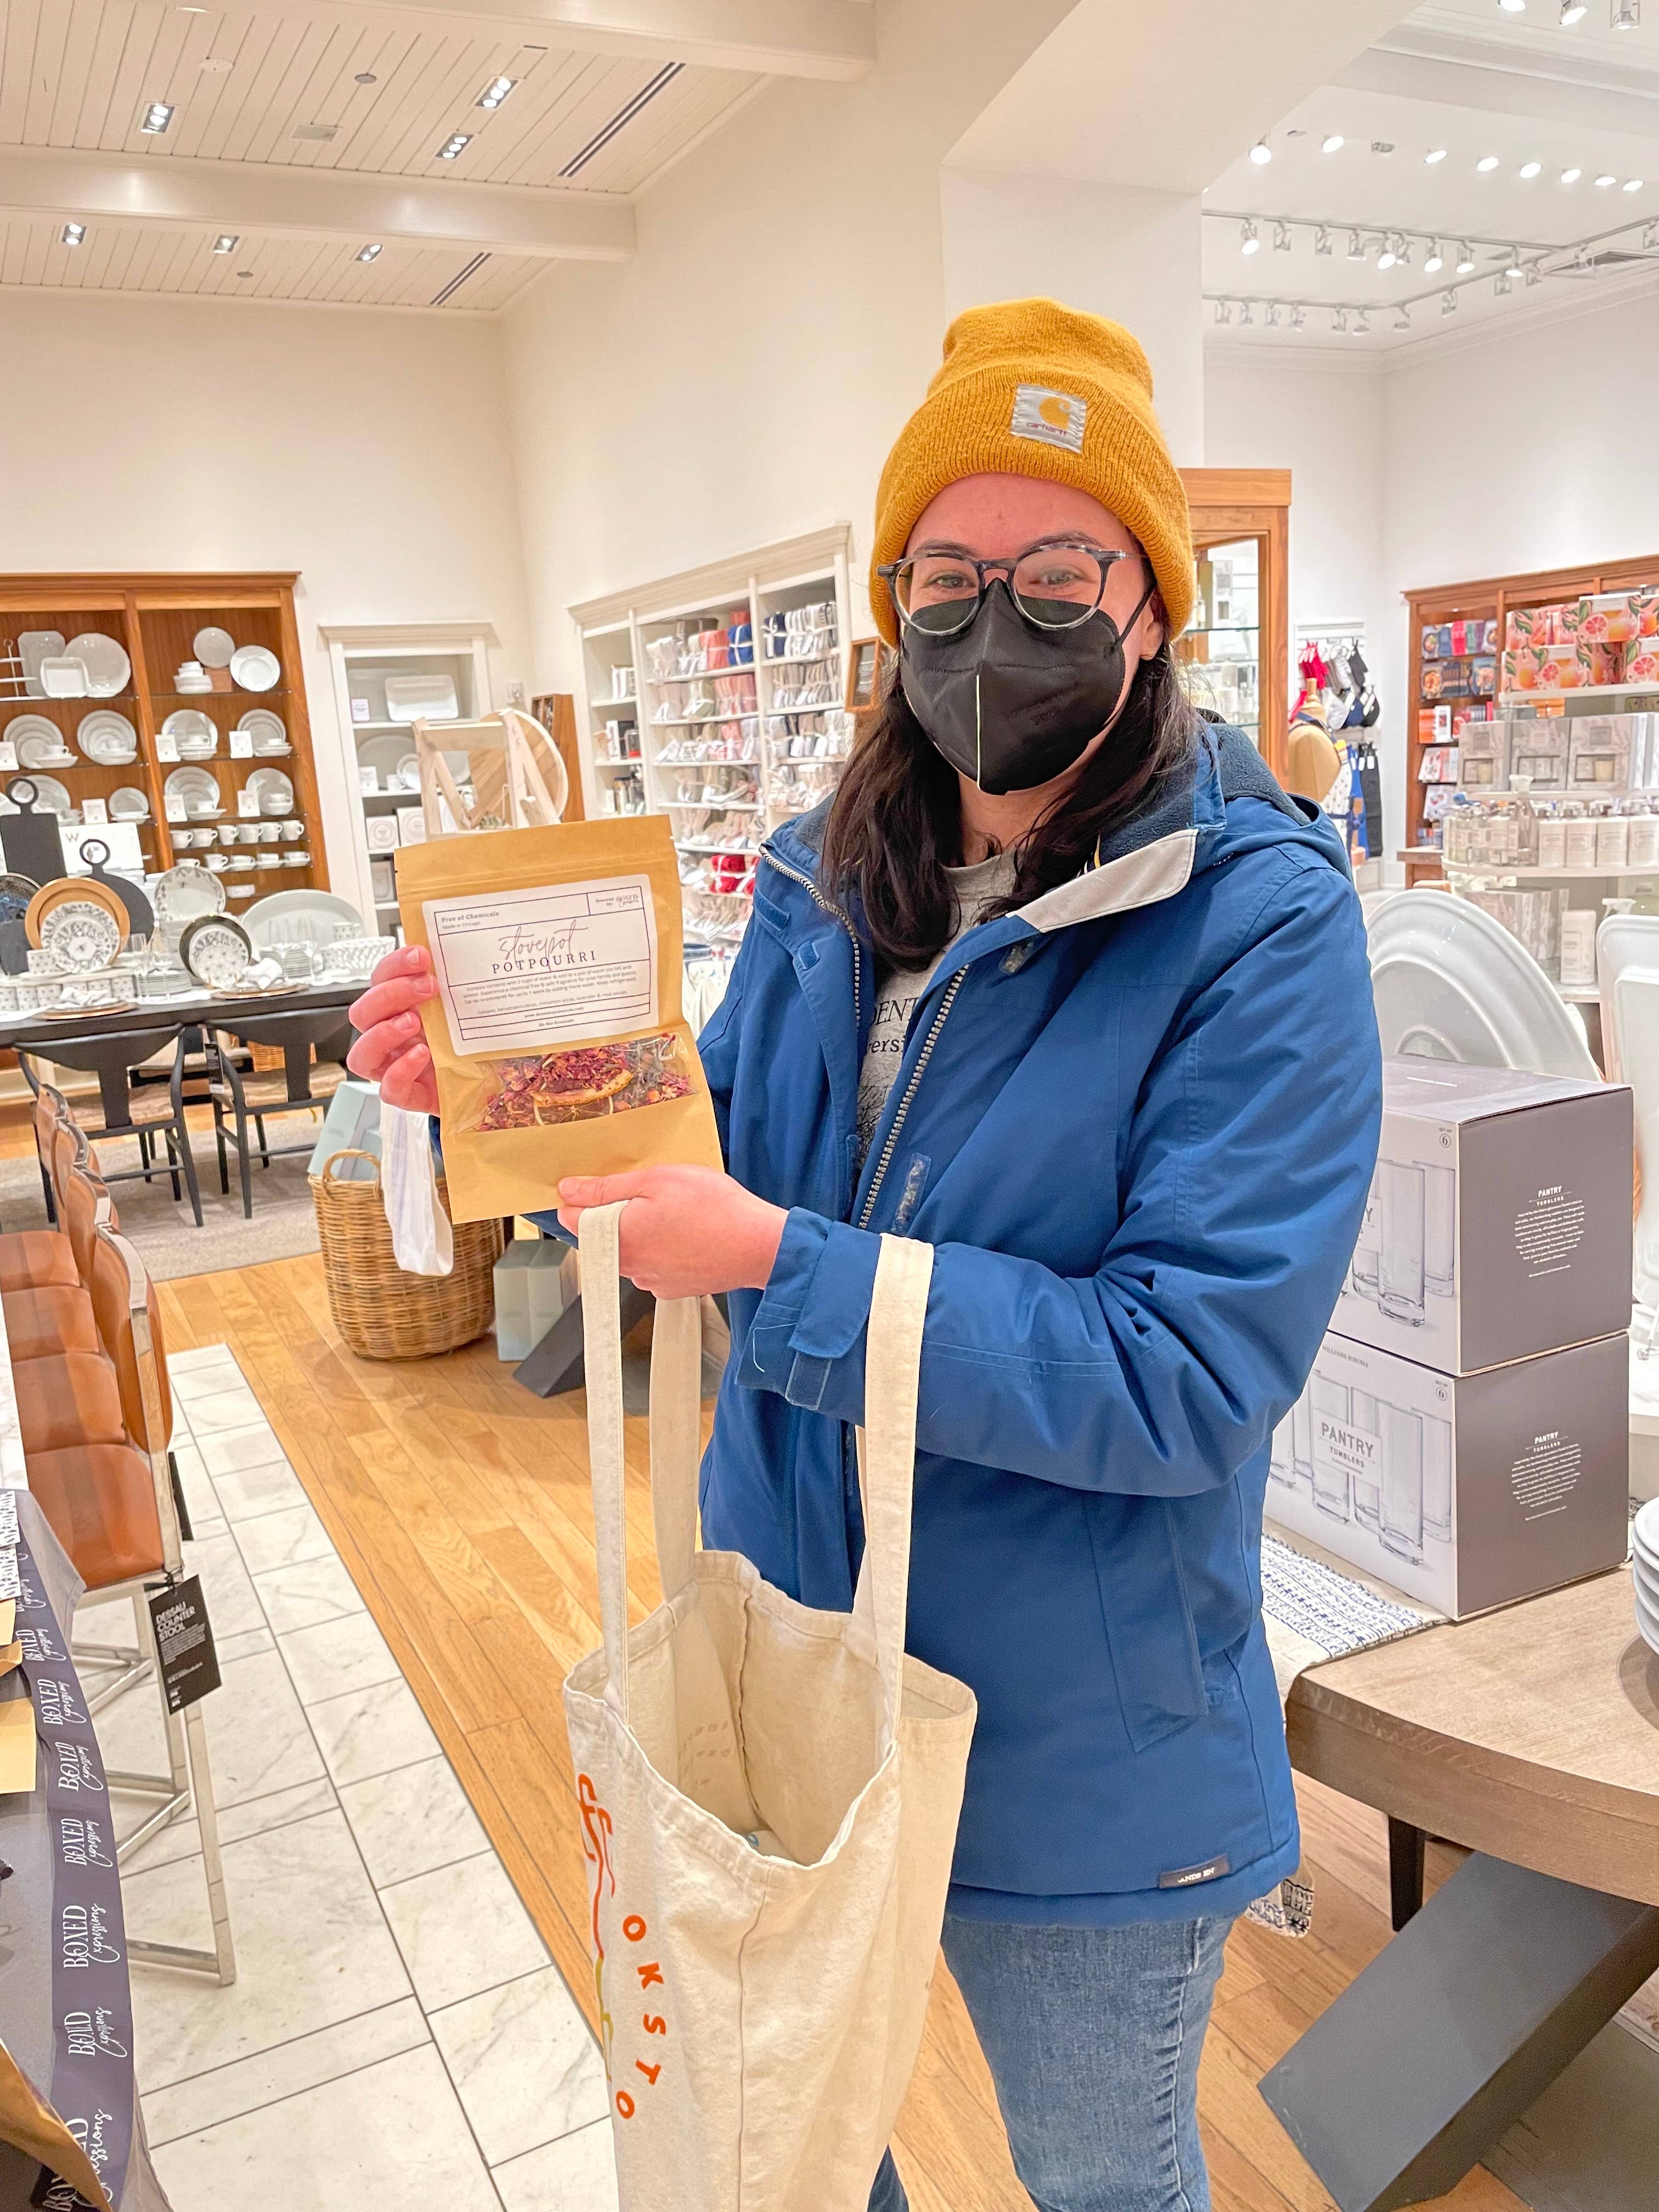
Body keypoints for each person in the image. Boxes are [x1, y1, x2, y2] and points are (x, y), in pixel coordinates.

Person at [349, 298, 1382, 2212]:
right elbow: (702, 1141)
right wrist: (495, 1070)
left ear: (1152, 603)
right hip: (798, 1663)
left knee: (1105, 2182)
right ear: (892, 601)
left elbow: (1188, 1373)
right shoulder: (833, 871)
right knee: (806, 2151)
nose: (999, 621)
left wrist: (780, 1267)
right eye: (948, 574)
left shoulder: (1263, 926)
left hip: (1084, 1743)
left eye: (1061, 567)